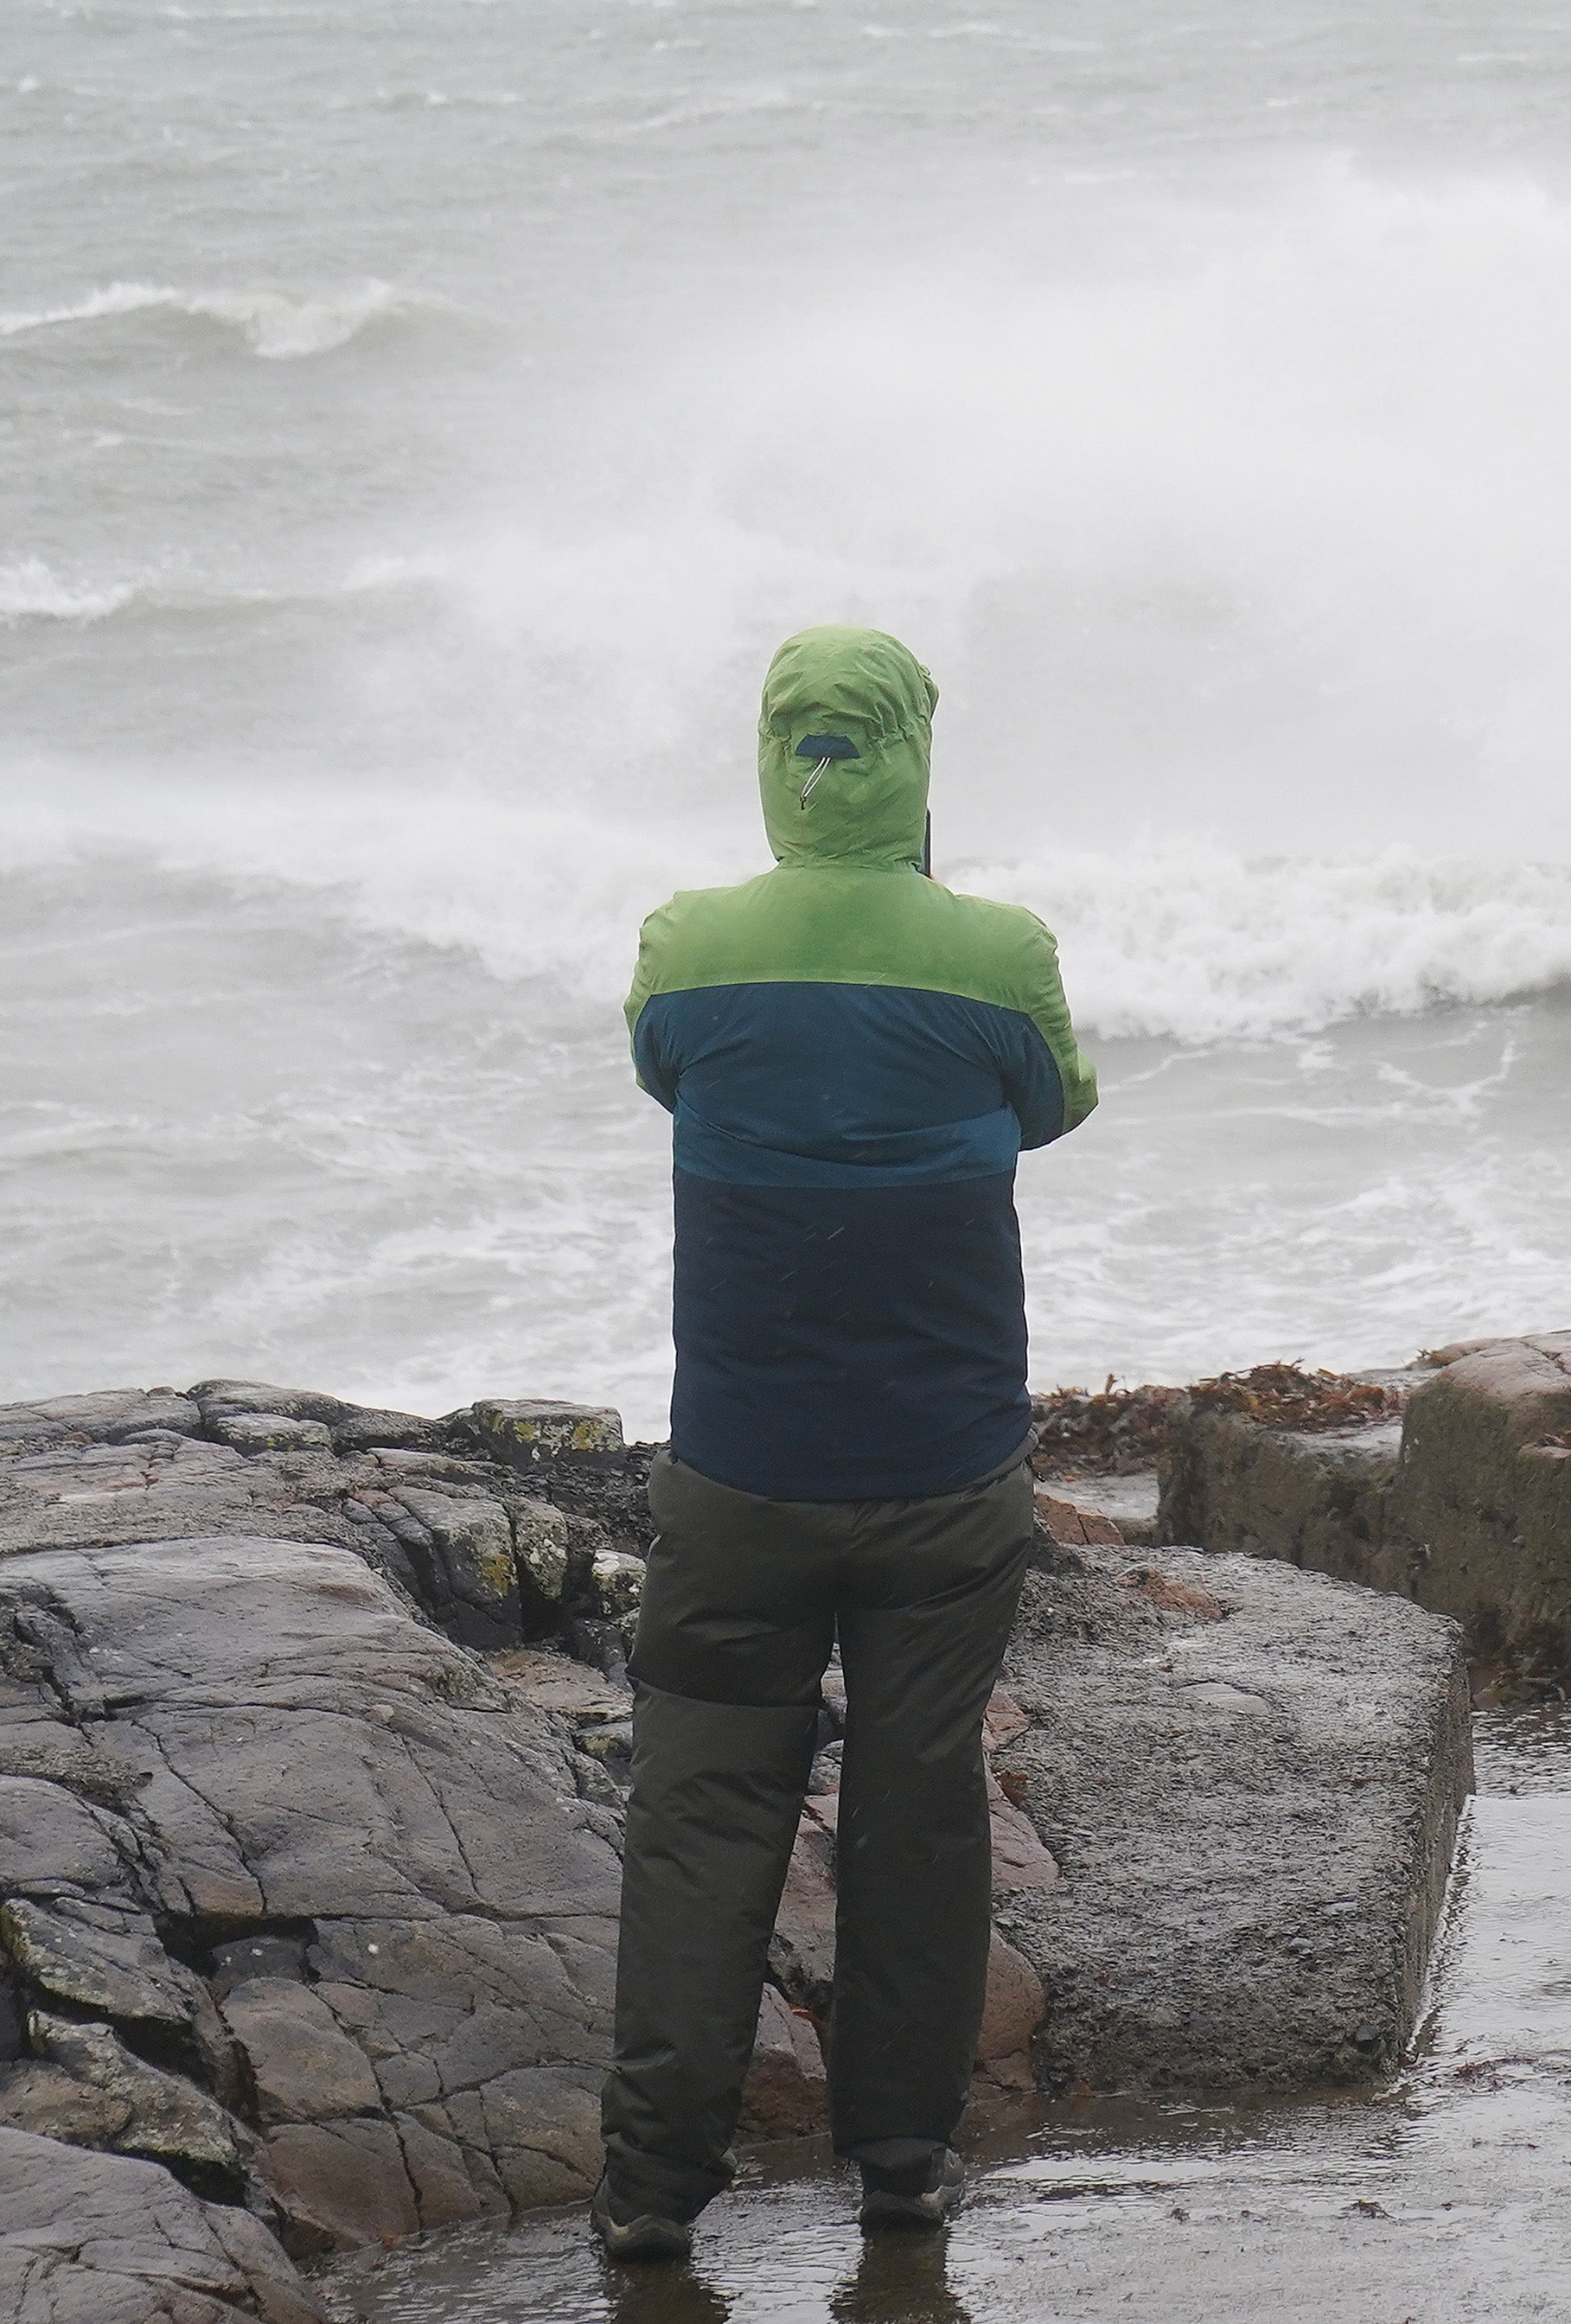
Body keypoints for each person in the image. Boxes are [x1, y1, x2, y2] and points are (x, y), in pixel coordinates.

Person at [591, 625, 1095, 2262]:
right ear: (915, 754)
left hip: (739, 1469)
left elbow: (670, 1072)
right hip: (947, 1472)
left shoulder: (691, 943)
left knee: (698, 1813)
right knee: (918, 1802)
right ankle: (901, 2159)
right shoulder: (1000, 950)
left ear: (772, 751)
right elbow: (1055, 1100)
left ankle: (655, 2189)